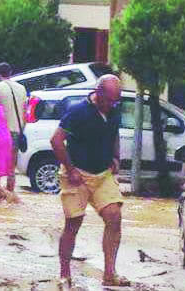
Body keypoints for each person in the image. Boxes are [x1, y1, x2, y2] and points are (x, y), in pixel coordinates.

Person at [50, 74, 129, 289]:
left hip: (103, 174)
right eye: (109, 100)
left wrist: (115, 158)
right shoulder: (78, 111)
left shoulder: (114, 111)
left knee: (114, 216)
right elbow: (56, 141)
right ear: (98, 94)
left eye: (115, 101)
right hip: (77, 175)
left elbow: (114, 134)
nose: (111, 105)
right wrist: (71, 169)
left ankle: (109, 274)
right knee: (73, 224)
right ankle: (64, 275)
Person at [0, 62, 28, 193]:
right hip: (17, 132)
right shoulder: (22, 88)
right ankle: (10, 196)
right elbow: (25, 112)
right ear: (10, 72)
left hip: (1, 133)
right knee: (11, 169)